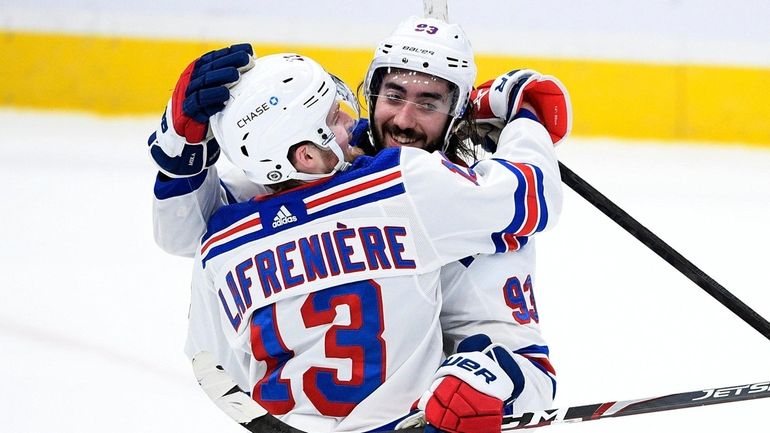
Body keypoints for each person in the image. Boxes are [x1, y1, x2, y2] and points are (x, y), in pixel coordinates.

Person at [149, 16, 570, 431]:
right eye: (336, 118)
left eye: (429, 102)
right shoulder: (406, 183)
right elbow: (533, 194)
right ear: (307, 154)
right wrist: (523, 113)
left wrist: (179, 151)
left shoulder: (223, 239)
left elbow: (216, 364)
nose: (401, 121)